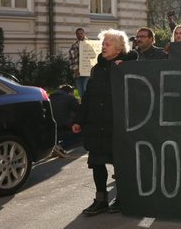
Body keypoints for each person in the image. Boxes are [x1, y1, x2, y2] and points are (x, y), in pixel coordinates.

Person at [73, 29, 138, 216]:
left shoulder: (126, 65)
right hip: (96, 123)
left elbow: (136, 56)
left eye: (108, 44)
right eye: (103, 43)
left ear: (118, 49)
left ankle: (121, 198)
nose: (103, 46)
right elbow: (88, 96)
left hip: (116, 125)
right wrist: (79, 119)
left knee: (120, 163)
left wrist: (127, 62)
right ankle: (100, 200)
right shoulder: (96, 68)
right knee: (97, 163)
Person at [49, 84, 81, 154]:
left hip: (52, 128)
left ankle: (54, 146)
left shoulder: (50, 97)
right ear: (70, 92)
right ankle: (61, 146)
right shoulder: (69, 98)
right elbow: (80, 111)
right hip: (64, 126)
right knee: (81, 135)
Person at [68, 27, 89, 98]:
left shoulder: (89, 44)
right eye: (78, 34)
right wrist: (75, 69)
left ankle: (87, 105)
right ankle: (83, 106)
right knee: (80, 91)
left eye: (81, 33)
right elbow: (71, 60)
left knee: (86, 88)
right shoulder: (74, 46)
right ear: (76, 35)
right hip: (77, 73)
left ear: (84, 34)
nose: (80, 35)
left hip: (87, 72)